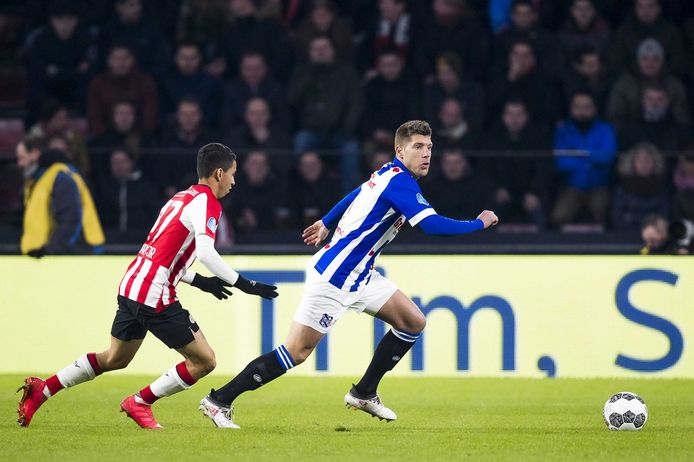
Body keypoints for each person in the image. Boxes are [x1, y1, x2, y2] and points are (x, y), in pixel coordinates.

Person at [198, 120, 498, 428]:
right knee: (296, 352)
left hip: (360, 275)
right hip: (335, 277)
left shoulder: (388, 173)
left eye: (429, 147)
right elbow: (431, 225)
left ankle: (364, 392)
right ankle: (219, 400)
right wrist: (480, 223)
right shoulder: (400, 182)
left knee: (413, 322)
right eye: (418, 147)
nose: (426, 154)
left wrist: (327, 221)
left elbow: (356, 192)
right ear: (400, 150)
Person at [17, 143, 279, 429]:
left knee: (115, 358)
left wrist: (200, 282)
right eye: (232, 174)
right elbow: (206, 254)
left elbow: (161, 253)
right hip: (154, 295)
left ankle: (43, 390)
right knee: (204, 361)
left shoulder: (180, 198)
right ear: (218, 173)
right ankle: (140, 402)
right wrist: (243, 283)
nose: (233, 181)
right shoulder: (208, 203)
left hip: (132, 286)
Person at [16, 136, 104, 257]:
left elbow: (72, 219)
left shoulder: (61, 177)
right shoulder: (39, 180)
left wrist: (51, 250)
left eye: (22, 158)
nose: (20, 164)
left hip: (72, 258)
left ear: (35, 154)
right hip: (47, 256)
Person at [552, 92, 617, 228]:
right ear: (571, 109)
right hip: (572, 186)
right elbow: (560, 161)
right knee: (558, 217)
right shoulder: (563, 130)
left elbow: (607, 157)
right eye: (578, 107)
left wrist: (578, 154)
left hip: (599, 185)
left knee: (605, 217)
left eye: (587, 107)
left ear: (594, 109)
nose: (582, 111)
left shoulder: (605, 129)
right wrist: (590, 158)